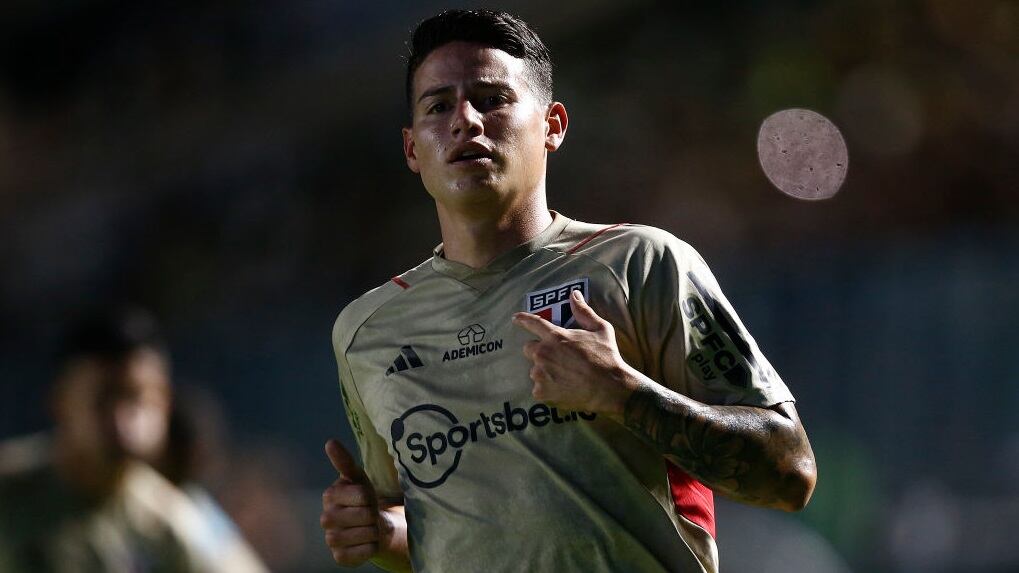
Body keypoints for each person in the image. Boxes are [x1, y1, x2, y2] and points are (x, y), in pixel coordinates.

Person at [320, 9, 816, 573]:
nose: (464, 121)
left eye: (491, 99)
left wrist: (623, 394)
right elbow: (430, 529)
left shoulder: (640, 263)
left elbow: (790, 474)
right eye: (438, 106)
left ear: (553, 124)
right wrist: (383, 534)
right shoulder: (367, 331)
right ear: (412, 150)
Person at [0, 307, 267, 573]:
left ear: (164, 404)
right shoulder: (11, 494)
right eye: (103, 398)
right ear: (60, 401)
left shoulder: (175, 520)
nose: (121, 419)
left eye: (137, 398)